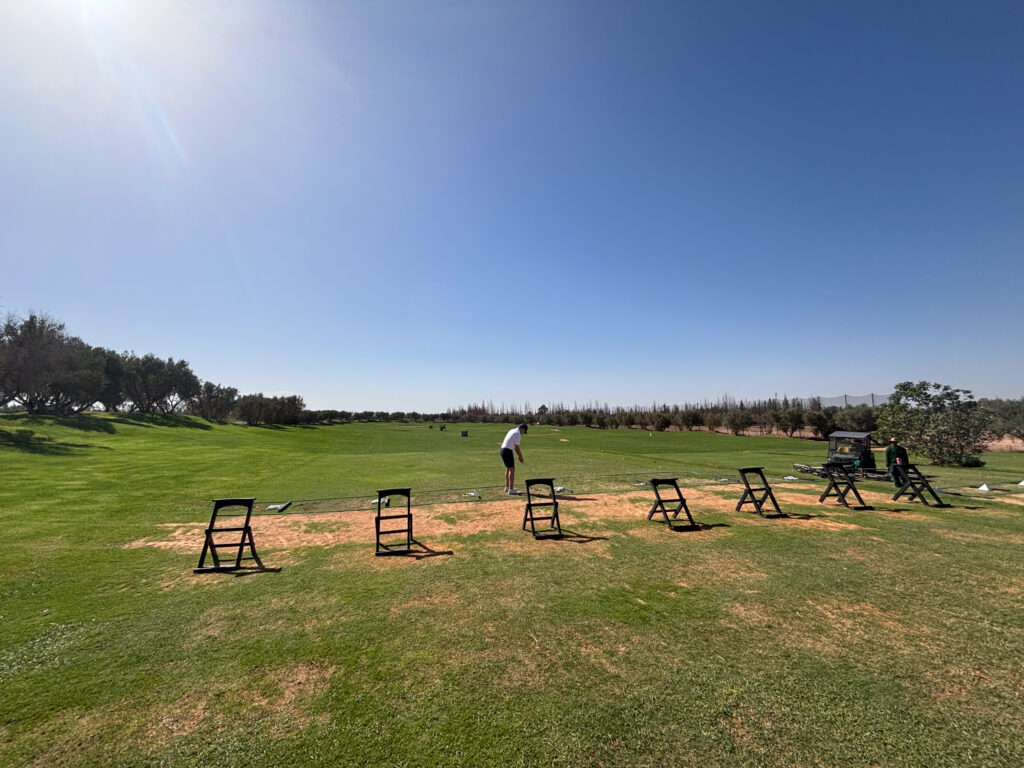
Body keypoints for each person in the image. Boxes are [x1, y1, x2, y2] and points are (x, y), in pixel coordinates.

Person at [500, 423, 528, 494]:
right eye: (524, 431)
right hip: (507, 451)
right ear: (522, 429)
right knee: (512, 470)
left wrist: (519, 456)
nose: (523, 433)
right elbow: (517, 447)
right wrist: (520, 457)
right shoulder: (517, 434)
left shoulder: (512, 430)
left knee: (508, 469)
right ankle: (511, 490)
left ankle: (507, 487)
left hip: (502, 450)